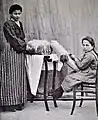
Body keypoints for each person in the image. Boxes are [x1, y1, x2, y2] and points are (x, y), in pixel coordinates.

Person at [0, 4, 35, 112]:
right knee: (11, 77)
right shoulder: (7, 24)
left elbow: (22, 37)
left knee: (19, 77)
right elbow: (12, 38)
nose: (17, 15)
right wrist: (25, 46)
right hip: (11, 51)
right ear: (10, 14)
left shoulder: (20, 23)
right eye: (15, 13)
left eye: (19, 13)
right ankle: (10, 104)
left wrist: (26, 45)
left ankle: (19, 102)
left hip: (20, 51)